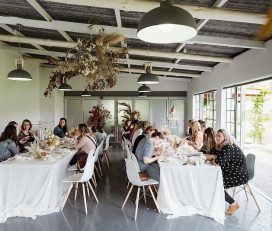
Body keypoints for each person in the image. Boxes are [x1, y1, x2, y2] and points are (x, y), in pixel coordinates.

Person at [206, 129, 249, 215]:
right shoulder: (221, 146)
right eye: (216, 135)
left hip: (239, 175)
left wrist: (213, 157)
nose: (217, 137)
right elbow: (210, 153)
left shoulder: (228, 147)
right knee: (211, 181)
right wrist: (213, 155)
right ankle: (213, 203)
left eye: (219, 136)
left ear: (225, 138)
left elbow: (217, 162)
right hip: (231, 172)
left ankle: (233, 204)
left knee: (215, 184)